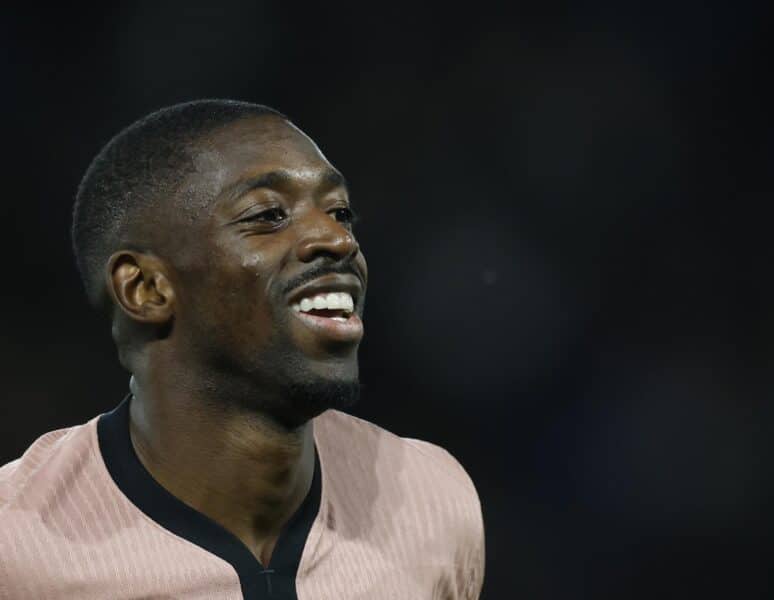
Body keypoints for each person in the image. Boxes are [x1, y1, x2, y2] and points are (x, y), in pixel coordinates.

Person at [0, 100, 485, 599]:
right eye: (269, 215)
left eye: (339, 211)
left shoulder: (432, 502)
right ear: (146, 288)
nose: (338, 239)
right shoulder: (16, 549)